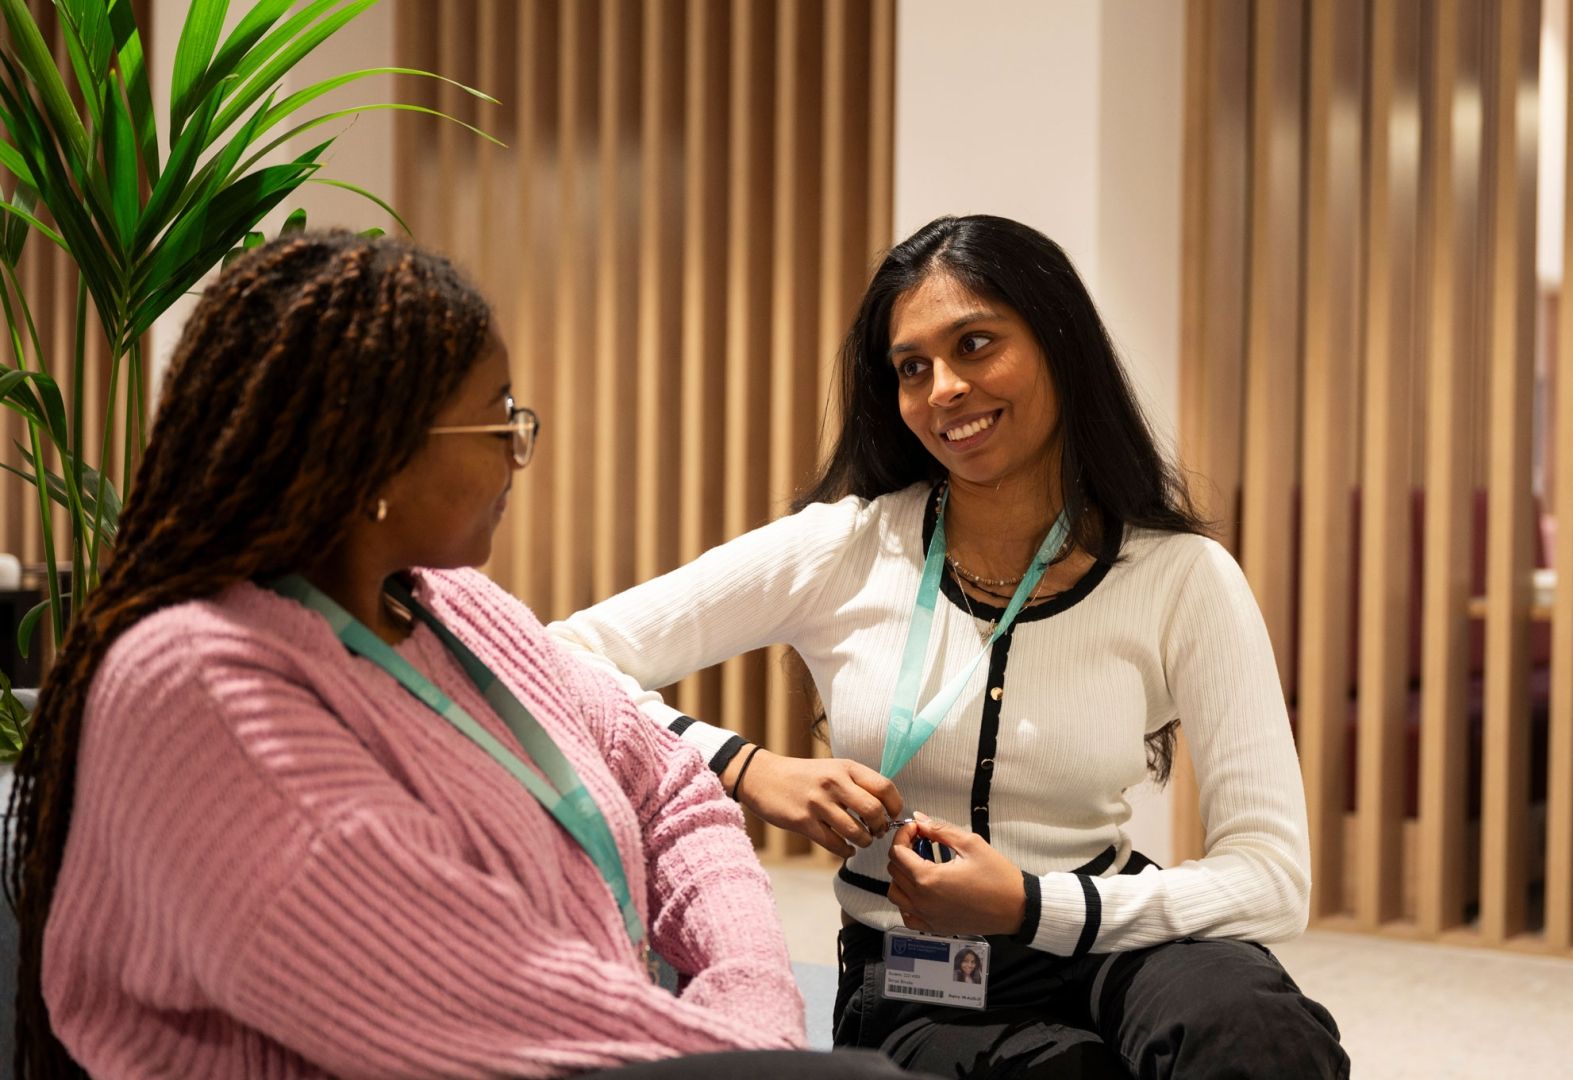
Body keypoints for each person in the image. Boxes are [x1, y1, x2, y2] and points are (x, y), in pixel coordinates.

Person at [7, 233, 915, 1080]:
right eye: (496, 422)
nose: (519, 453)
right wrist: (751, 1054)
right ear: (373, 452)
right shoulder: (203, 690)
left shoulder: (455, 607)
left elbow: (673, 794)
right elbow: (507, 1015)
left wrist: (748, 999)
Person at [552, 215, 1349, 1079]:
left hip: (1113, 934)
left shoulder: (1182, 575)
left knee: (1257, 1034)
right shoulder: (845, 548)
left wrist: (1032, 905)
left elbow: (1272, 879)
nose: (943, 389)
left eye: (975, 345)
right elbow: (558, 657)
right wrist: (747, 768)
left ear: (1060, 344)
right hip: (923, 973)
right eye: (912, 368)